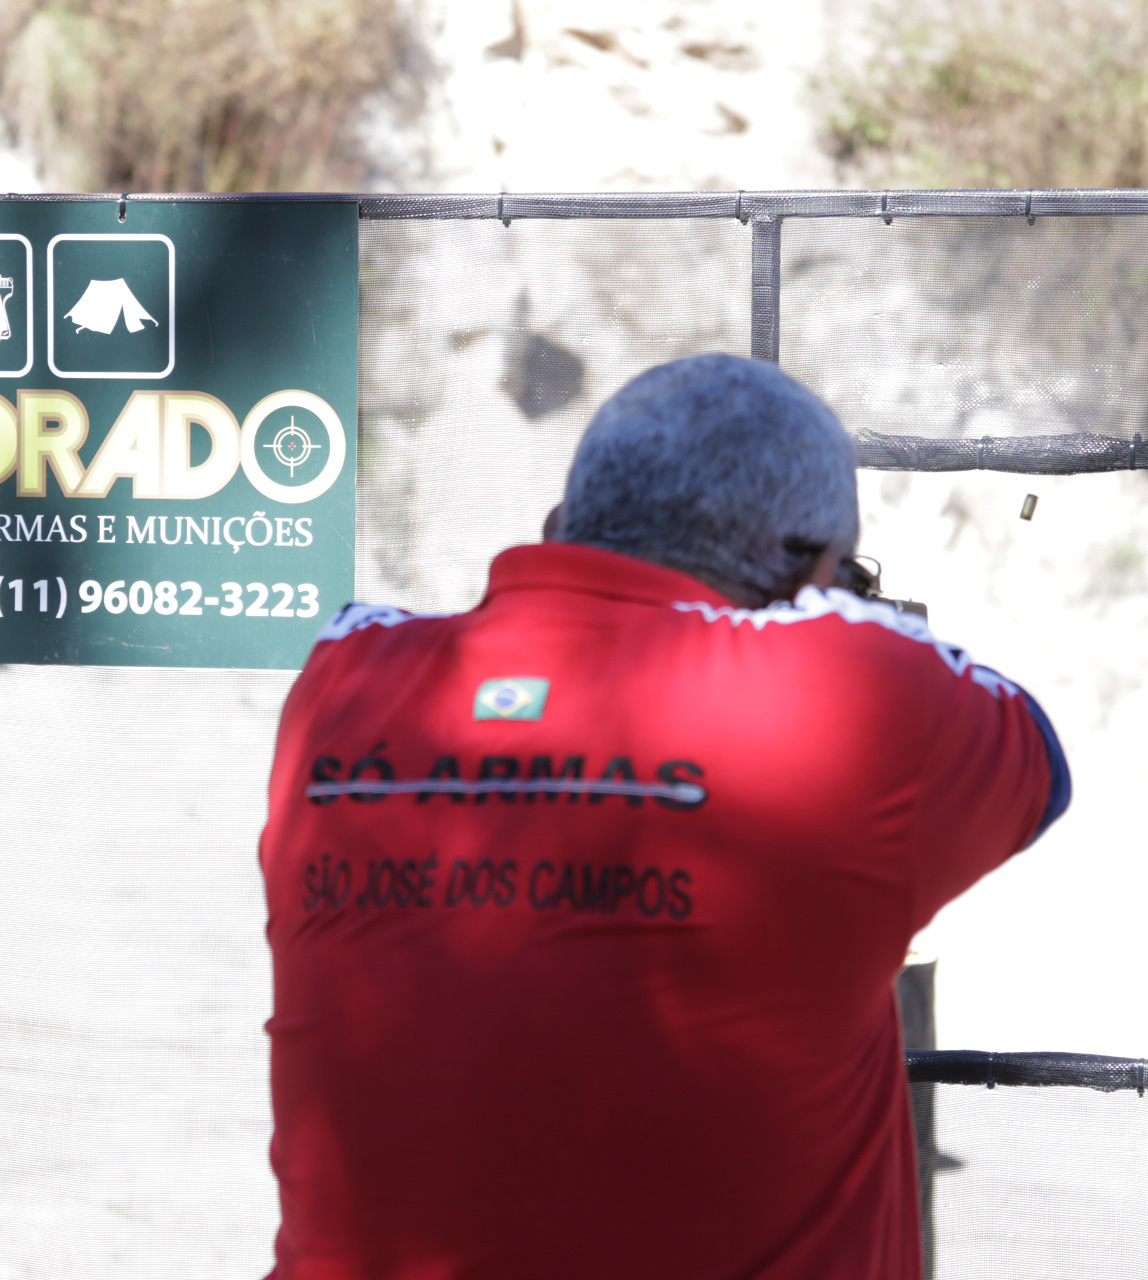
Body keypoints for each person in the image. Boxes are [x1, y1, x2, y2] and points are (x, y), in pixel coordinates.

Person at [259, 353, 1071, 1280]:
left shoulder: (342, 679)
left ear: (559, 528)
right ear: (813, 575)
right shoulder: (852, 699)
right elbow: (1038, 766)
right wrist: (840, 605)